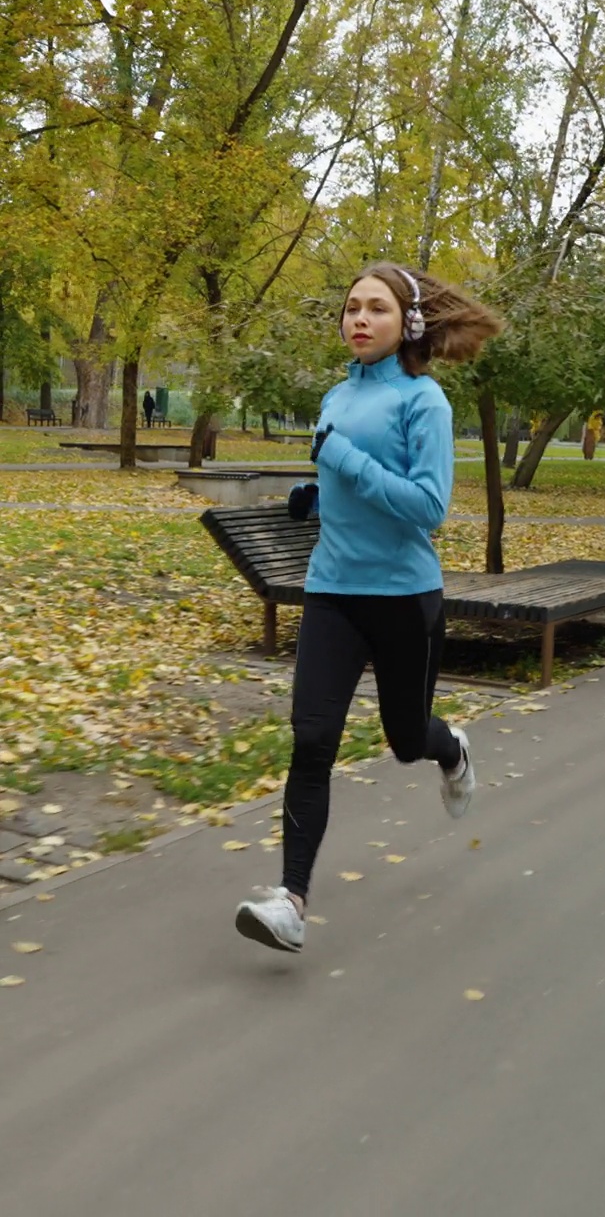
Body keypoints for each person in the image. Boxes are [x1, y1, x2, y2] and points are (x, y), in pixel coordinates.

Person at [235, 262, 502, 953]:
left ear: (406, 322)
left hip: (403, 599)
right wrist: (316, 496)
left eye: (376, 308)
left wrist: (345, 462)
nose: (358, 318)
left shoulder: (424, 401)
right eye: (351, 307)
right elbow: (344, 473)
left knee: (406, 740)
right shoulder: (334, 397)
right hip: (332, 593)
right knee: (312, 739)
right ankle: (291, 901)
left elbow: (428, 508)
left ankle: (453, 749)